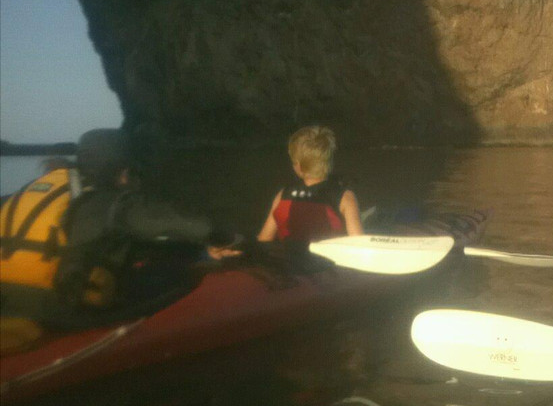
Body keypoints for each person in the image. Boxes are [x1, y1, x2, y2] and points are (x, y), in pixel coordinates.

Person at [1, 129, 239, 328]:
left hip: (7, 299)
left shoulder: (38, 191)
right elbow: (171, 222)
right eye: (127, 169)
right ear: (117, 169)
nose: (128, 176)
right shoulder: (111, 203)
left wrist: (198, 250)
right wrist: (225, 236)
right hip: (55, 310)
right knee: (177, 276)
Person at [256, 126, 363, 244]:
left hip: (289, 261)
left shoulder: (283, 195)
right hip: (325, 262)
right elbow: (358, 245)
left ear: (298, 166)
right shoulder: (345, 197)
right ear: (329, 161)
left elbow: (264, 239)